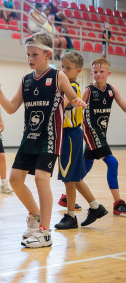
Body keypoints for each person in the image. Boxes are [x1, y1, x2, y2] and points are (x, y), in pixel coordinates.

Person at [0, 32, 86, 248]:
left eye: (34, 54)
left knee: (41, 178)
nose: (30, 58)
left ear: (48, 54)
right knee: (14, 179)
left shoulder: (58, 77)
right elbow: (11, 108)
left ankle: (45, 233)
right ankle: (35, 215)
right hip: (28, 137)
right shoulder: (26, 80)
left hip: (50, 137)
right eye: (28, 54)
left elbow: (71, 95)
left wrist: (77, 101)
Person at [54, 52, 108, 230]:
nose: (63, 70)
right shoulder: (68, 86)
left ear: (77, 70)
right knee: (74, 177)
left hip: (70, 134)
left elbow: (60, 107)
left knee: (69, 178)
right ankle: (95, 206)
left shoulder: (73, 88)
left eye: (67, 68)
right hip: (71, 135)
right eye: (62, 67)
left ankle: (70, 216)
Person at [82, 57, 126, 216]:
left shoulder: (112, 89)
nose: (98, 74)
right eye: (95, 72)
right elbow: (79, 106)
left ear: (108, 73)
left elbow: (123, 105)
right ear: (92, 73)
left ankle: (66, 196)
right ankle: (118, 204)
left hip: (100, 133)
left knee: (85, 167)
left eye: (101, 71)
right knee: (113, 163)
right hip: (89, 131)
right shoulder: (88, 90)